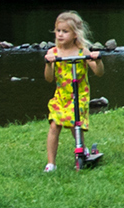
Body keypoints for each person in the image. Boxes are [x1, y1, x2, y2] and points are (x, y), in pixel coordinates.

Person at [41, 11, 104, 171]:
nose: (60, 34)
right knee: (54, 126)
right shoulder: (54, 52)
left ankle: (81, 150)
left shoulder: (82, 51)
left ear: (75, 34)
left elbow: (98, 72)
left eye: (65, 31)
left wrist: (98, 60)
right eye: (58, 30)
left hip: (79, 95)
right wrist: (49, 64)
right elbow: (49, 79)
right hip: (61, 95)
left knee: (74, 125)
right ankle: (51, 163)